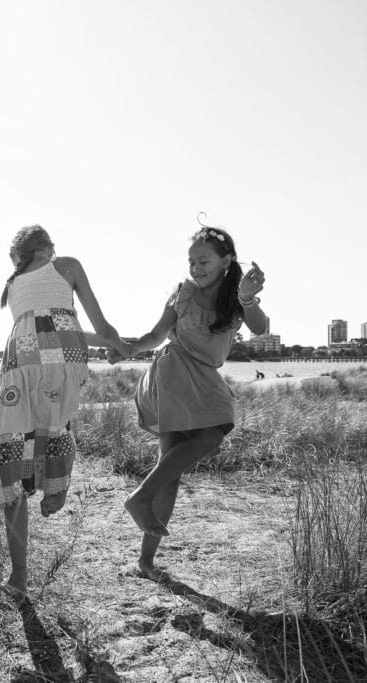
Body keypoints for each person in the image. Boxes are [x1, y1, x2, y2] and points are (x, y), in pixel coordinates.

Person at [111, 219, 268, 582]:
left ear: (226, 260)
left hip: (203, 376)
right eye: (192, 262)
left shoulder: (236, 297)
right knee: (199, 446)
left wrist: (247, 296)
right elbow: (155, 334)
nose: (196, 269)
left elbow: (260, 328)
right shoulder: (182, 292)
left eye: (204, 262)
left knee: (176, 466)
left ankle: (143, 540)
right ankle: (143, 530)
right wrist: (129, 349)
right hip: (172, 371)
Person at [0, 224, 131, 602]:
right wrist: (118, 345)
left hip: (20, 364)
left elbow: (41, 328)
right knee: (55, 425)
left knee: (11, 446)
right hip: (64, 363)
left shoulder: (13, 286)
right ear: (48, 249)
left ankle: (18, 574)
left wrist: (113, 343)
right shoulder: (66, 266)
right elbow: (87, 327)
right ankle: (55, 486)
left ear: (18, 258)